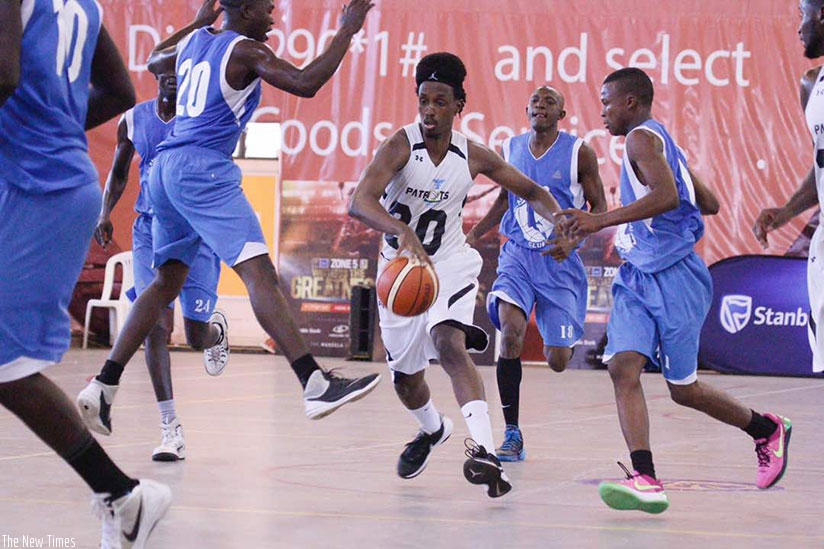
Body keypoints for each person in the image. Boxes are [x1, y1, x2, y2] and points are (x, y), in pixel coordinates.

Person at [77, 0, 381, 435]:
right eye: (267, 7)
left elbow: (153, 58)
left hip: (164, 170)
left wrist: (203, 19)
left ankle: (104, 385)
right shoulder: (245, 51)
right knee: (260, 274)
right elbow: (306, 82)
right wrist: (347, 30)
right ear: (242, 8)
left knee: (165, 282)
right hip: (203, 169)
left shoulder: (196, 42)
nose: (274, 15)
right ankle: (313, 382)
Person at [559, 67, 790, 513]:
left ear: (630, 102)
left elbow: (667, 197)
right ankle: (645, 477)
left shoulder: (641, 140)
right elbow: (710, 203)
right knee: (622, 368)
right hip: (638, 276)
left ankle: (765, 430)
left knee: (683, 388)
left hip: (676, 275)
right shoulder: (665, 144)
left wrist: (600, 220)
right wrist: (680, 178)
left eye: (606, 101)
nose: (601, 111)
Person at [349, 52, 571, 498]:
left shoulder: (471, 154)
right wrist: (399, 230)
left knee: (448, 343)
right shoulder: (399, 145)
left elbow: (531, 190)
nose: (429, 110)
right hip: (400, 272)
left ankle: (486, 453)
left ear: (458, 105)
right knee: (406, 380)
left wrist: (560, 221)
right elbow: (360, 201)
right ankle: (432, 430)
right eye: (423, 100)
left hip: (449, 261)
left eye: (439, 101)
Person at [0, 1, 171, 547]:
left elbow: (3, 76)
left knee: (5, 363)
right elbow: (120, 92)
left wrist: (38, 130)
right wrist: (50, 122)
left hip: (37, 189)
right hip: (47, 180)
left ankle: (124, 496)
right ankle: (122, 496)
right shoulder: (82, 5)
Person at [89, 62, 228, 461]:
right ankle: (171, 429)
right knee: (155, 326)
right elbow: (117, 174)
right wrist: (104, 213)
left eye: (177, 70)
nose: (170, 76)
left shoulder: (200, 119)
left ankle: (215, 334)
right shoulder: (133, 119)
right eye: (163, 70)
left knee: (196, 336)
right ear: (154, 76)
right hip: (150, 229)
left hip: (195, 230)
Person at [465, 85, 607, 462]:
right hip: (517, 255)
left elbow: (600, 205)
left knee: (558, 359)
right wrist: (478, 232)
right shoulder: (511, 149)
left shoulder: (580, 152)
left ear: (561, 114)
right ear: (526, 110)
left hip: (559, 262)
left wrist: (573, 243)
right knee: (509, 334)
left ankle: (561, 335)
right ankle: (512, 433)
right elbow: (503, 198)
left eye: (550, 102)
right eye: (535, 101)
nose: (540, 106)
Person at [754, 0, 824, 374]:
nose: (799, 28)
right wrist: (786, 211)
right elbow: (820, 165)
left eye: (803, 16)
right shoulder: (811, 85)